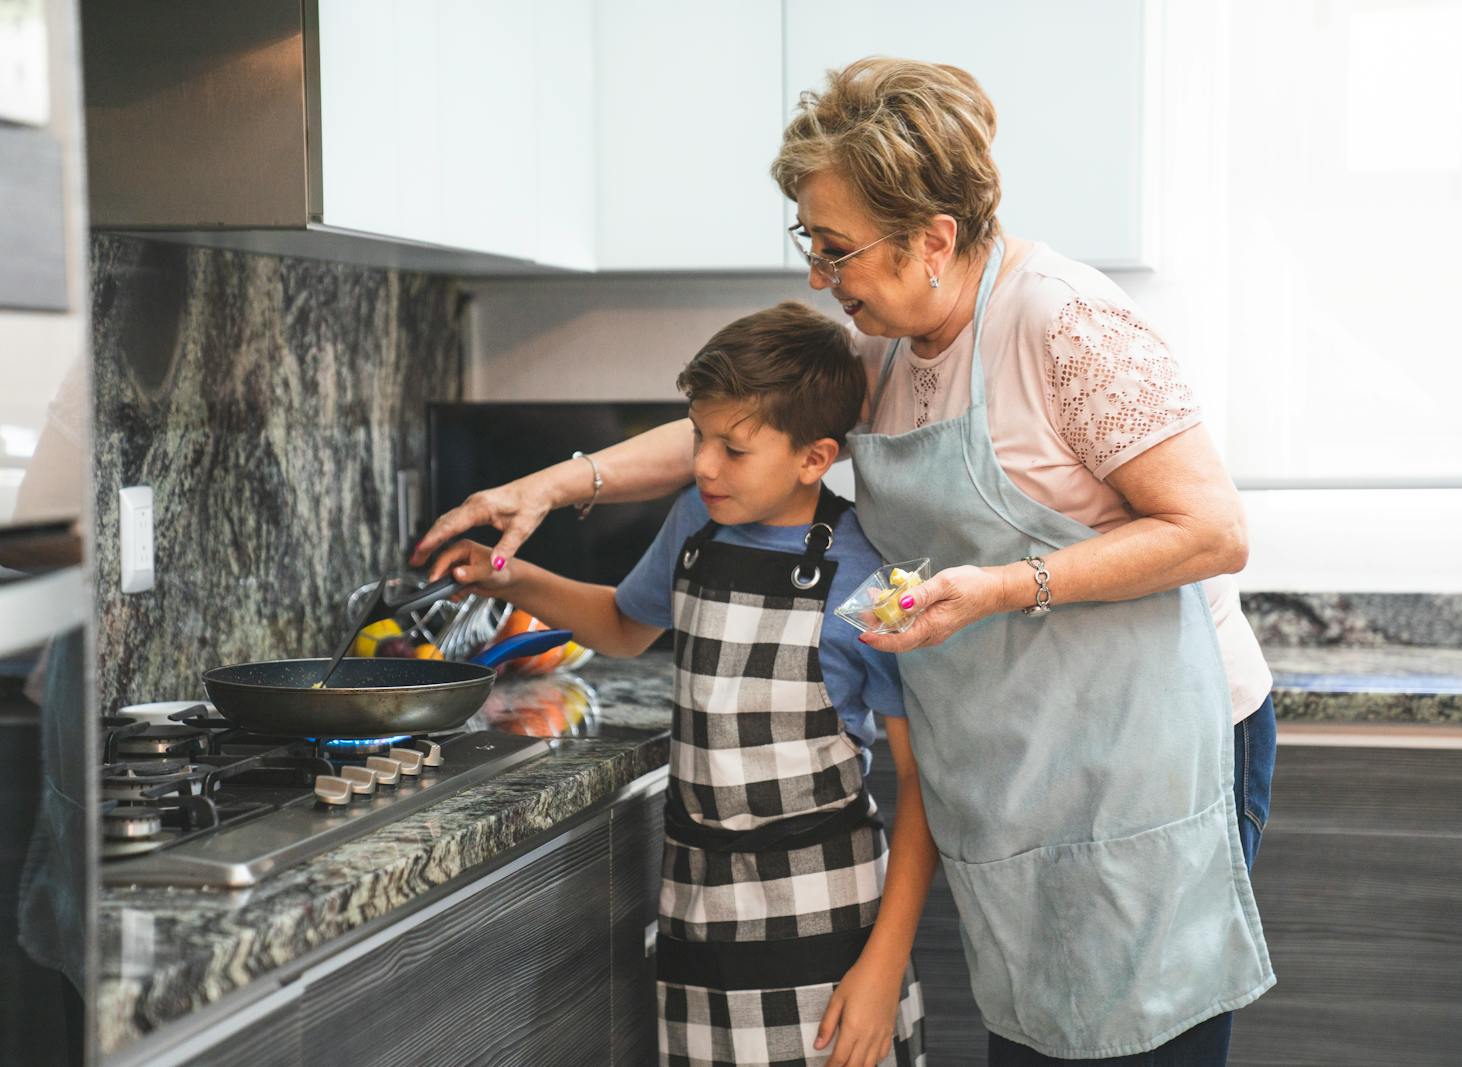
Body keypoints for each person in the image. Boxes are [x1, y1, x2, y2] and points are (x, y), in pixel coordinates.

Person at [417, 57, 1277, 1065]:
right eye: (810, 245)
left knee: (1139, 1037)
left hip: (1147, 744)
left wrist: (1002, 585)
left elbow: (1213, 530)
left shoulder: (1064, 324)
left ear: (932, 240)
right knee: (1040, 1036)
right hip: (1021, 738)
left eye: (834, 250)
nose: (818, 278)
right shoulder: (888, 346)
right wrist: (555, 485)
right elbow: (740, 430)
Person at [431, 301, 930, 1067]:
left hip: (829, 925)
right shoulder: (694, 528)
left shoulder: (865, 573)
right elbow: (624, 625)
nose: (702, 464)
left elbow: (922, 785)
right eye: (699, 435)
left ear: (813, 456)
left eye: (733, 447)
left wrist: (883, 965)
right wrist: (507, 576)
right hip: (698, 914)